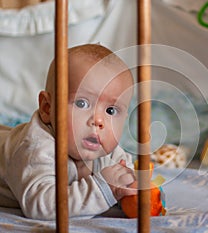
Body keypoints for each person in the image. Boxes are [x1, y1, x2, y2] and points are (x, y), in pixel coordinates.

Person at [0, 44, 137, 220]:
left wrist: (133, 190)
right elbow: (40, 205)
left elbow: (125, 183)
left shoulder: (108, 153)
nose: (98, 121)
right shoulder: (36, 150)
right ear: (47, 108)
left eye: (111, 111)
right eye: (82, 104)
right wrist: (103, 188)